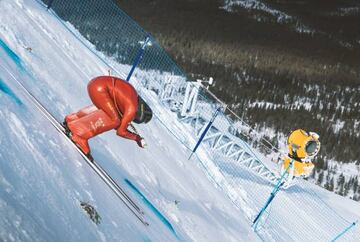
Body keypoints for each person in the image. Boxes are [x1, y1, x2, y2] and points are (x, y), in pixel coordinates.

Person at [64, 75, 152, 157]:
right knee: (114, 119)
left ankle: (72, 119)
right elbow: (120, 131)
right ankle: (79, 135)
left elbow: (116, 124)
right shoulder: (132, 109)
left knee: (108, 113)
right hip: (101, 90)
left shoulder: (133, 97)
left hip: (95, 85)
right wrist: (136, 138)